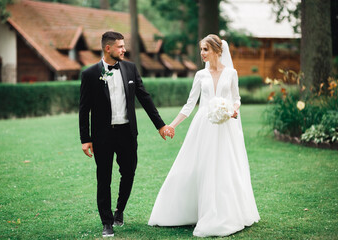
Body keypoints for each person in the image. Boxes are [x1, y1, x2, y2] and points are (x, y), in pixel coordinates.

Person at [148, 34, 260, 237]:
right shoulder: (200, 75)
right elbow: (190, 104)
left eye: (205, 49)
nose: (202, 53)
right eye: (201, 49)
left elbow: (237, 98)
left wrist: (233, 109)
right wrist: (171, 125)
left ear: (218, 50)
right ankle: (187, 210)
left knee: (225, 168)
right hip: (203, 126)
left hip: (225, 127)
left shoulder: (231, 73)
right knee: (199, 166)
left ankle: (226, 212)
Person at [79, 31, 174, 237]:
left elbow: (144, 97)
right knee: (104, 178)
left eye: (124, 46)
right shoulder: (89, 74)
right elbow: (84, 108)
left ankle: (119, 211)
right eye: (120, 46)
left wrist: (160, 125)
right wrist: (85, 139)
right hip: (102, 135)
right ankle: (106, 222)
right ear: (108, 48)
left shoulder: (130, 69)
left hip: (127, 133)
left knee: (129, 173)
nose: (124, 50)